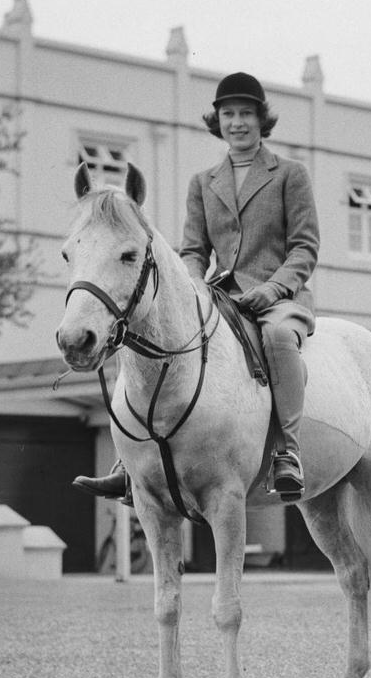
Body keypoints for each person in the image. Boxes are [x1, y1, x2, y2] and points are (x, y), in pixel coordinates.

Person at [73, 72, 319, 503]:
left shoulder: (290, 174)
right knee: (140, 336)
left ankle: (287, 451)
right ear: (218, 121)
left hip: (280, 297)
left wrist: (276, 288)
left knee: (278, 338)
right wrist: (191, 287)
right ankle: (128, 461)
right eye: (229, 115)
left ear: (262, 121)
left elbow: (304, 247)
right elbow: (194, 250)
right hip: (221, 293)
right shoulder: (203, 182)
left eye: (246, 114)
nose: (237, 123)